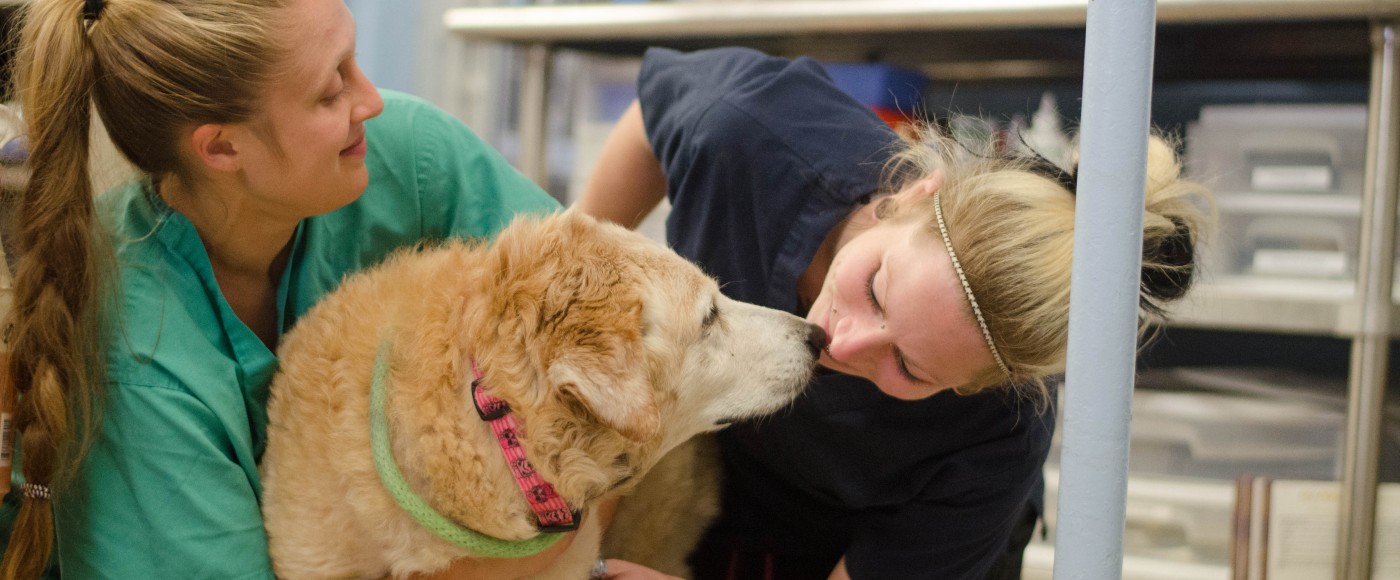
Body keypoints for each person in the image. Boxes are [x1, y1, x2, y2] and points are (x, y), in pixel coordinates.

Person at [0, 0, 623, 578]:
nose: (372, 100)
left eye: (356, 61)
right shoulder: (136, 360)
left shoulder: (407, 158)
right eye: (332, 90)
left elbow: (619, 331)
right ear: (221, 146)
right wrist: (548, 553)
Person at [578, 46, 1209, 580]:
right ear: (911, 195)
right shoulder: (752, 132)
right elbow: (649, 120)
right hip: (734, 485)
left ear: (970, 386)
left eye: (907, 365)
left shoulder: (999, 436)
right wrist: (582, 267)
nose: (841, 345)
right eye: (877, 289)